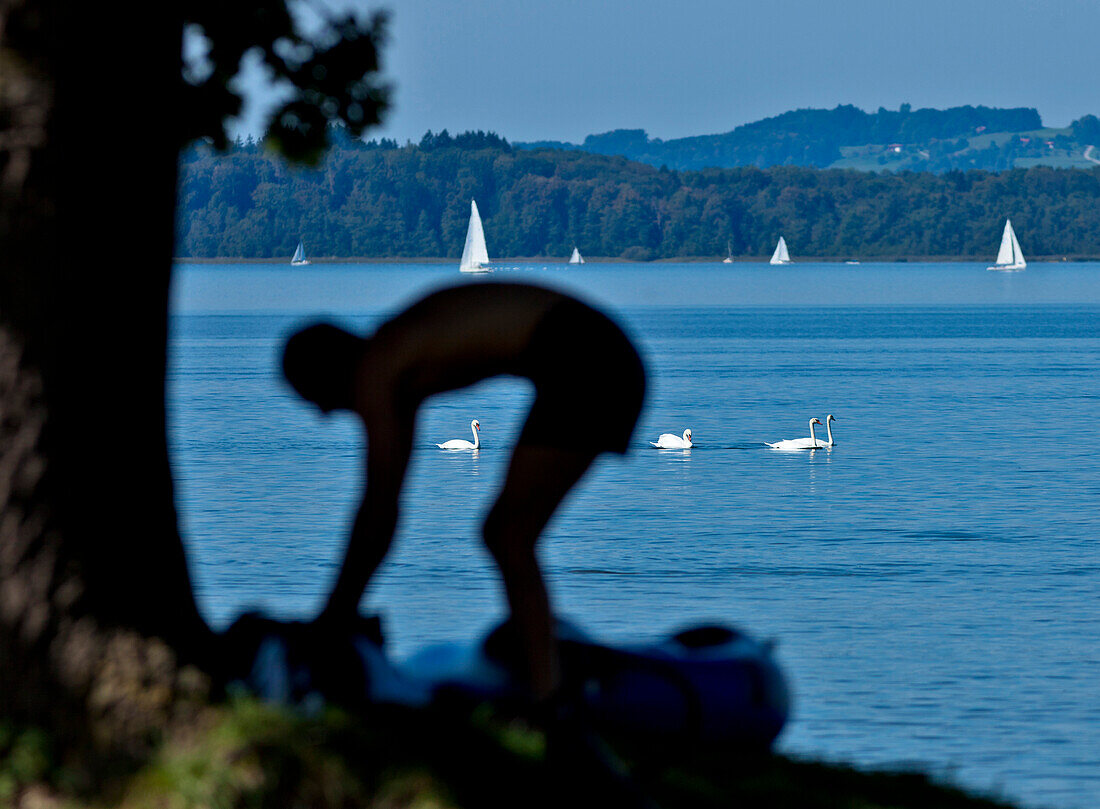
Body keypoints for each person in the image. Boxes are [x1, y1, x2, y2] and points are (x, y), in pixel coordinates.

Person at [281, 281, 646, 709]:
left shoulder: (376, 368)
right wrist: (340, 612)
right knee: (507, 534)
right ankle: (547, 687)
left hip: (586, 355)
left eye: (313, 398)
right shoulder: (398, 363)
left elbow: (376, 514)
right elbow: (385, 510)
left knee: (508, 535)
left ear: (328, 372)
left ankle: (551, 701)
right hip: (594, 351)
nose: (324, 416)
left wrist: (332, 620)